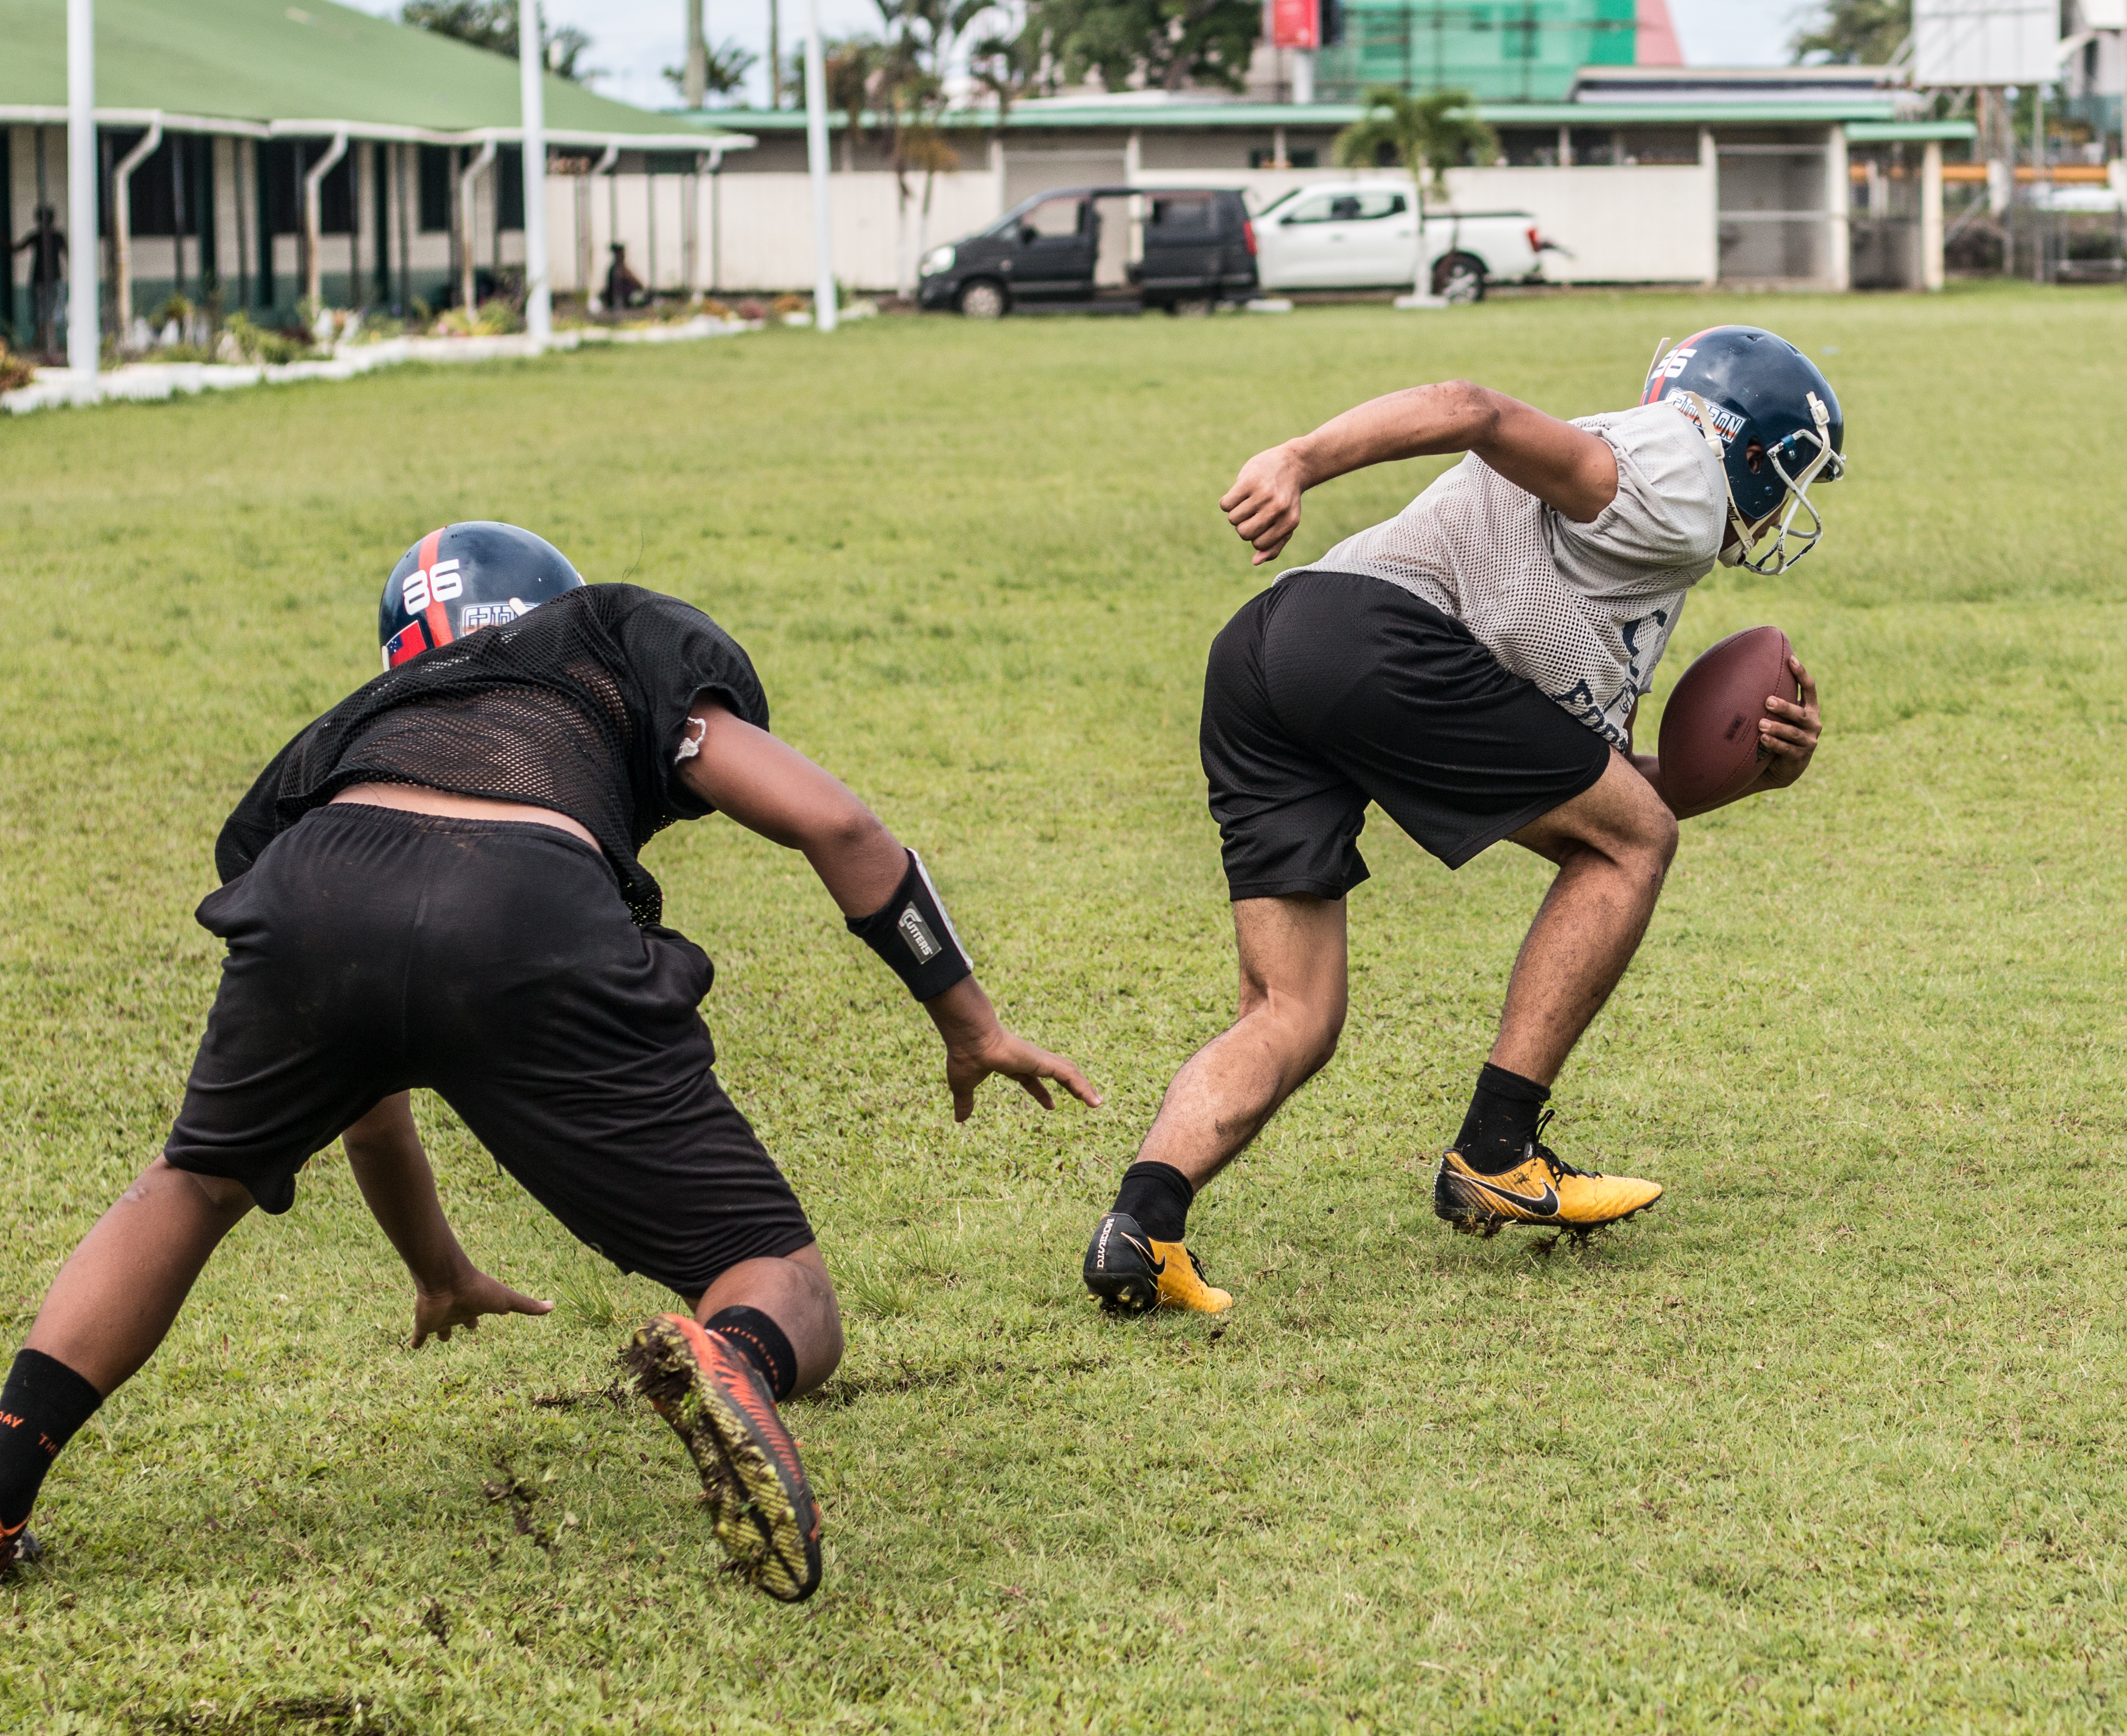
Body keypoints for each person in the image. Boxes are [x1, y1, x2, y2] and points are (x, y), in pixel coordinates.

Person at [0, 523, 1097, 1598]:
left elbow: (370, 1104)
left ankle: (6, 1483)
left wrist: (436, 1270)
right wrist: (970, 1023)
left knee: (190, 1187)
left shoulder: (347, 730)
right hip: (524, 902)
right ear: (553, 606)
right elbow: (842, 827)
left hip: (319, 884)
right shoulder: (613, 636)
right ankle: (735, 1358)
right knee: (776, 1274)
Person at [1083, 326, 1841, 1314]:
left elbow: (1592, 788)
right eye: (1792, 473)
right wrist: (1298, 459)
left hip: (1271, 650)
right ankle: (1495, 1149)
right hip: (1374, 639)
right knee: (1637, 842)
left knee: (1292, 1011)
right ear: (1747, 448)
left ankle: (1141, 1224)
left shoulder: (1645, 542)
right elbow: (1471, 407)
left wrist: (1746, 777)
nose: (1788, 505)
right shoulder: (1679, 482)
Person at [11, 206, 67, 356]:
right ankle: (45, 344)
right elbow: (68, 256)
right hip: (48, 279)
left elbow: (16, 249)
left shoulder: (42, 237)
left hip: (45, 279)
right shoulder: (54, 237)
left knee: (44, 312)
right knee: (48, 312)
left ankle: (43, 343)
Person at [604, 243, 644, 312]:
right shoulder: (618, 269)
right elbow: (637, 284)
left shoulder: (621, 268)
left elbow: (638, 284)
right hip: (621, 299)